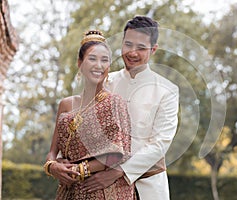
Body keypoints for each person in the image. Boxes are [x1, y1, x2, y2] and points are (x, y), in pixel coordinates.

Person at [82, 16, 179, 200]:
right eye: (128, 44)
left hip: (148, 189)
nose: (133, 52)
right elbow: (80, 124)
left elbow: (160, 144)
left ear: (153, 49)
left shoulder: (168, 91)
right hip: (99, 186)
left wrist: (119, 171)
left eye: (141, 48)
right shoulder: (105, 81)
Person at [44, 30, 136, 199]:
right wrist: (52, 166)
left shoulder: (115, 102)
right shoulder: (66, 104)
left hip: (104, 191)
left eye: (104, 60)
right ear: (80, 63)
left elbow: (118, 153)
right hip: (69, 190)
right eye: (92, 59)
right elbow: (52, 152)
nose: (98, 65)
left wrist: (80, 169)